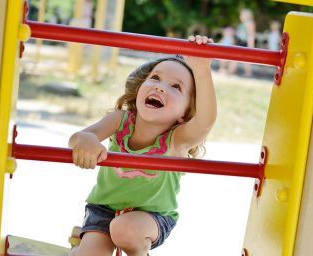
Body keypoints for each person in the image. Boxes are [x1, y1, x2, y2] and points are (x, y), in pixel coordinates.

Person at [68, 35, 217, 256]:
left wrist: (202, 70)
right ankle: (82, 246)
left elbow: (205, 122)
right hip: (104, 209)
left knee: (124, 229)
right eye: (155, 78)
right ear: (140, 88)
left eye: (176, 86)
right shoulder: (120, 120)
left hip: (151, 219)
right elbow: (79, 136)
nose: (161, 88)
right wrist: (87, 140)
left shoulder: (177, 140)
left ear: (185, 113)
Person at [229, 8, 256, 77]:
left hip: (244, 43)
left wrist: (251, 46)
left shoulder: (249, 23)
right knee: (236, 58)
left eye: (242, 15)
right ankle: (231, 71)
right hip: (240, 42)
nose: (240, 16)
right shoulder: (243, 24)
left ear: (247, 16)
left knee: (244, 59)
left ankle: (247, 73)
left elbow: (251, 35)